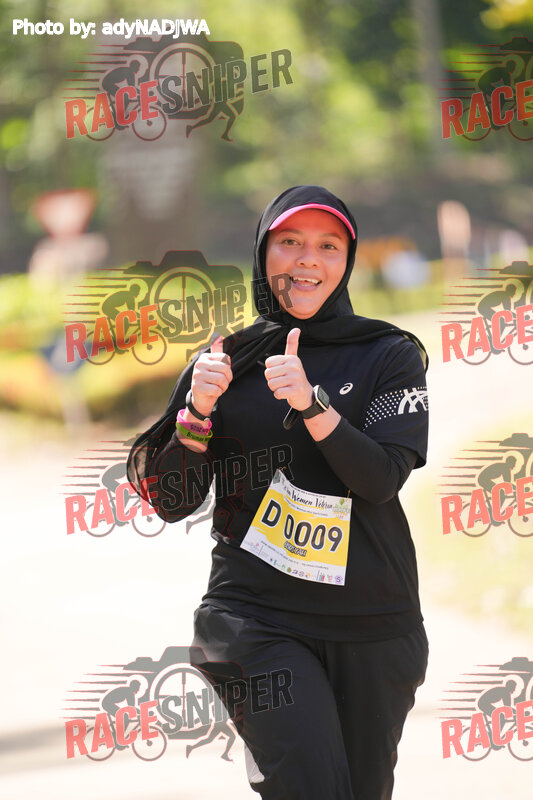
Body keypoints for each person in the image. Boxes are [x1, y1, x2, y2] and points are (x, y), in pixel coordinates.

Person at [127, 185, 430, 800]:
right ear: (263, 253)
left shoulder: (389, 356)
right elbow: (171, 500)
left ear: (347, 261)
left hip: (373, 621)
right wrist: (197, 411)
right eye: (289, 242)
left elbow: (380, 479)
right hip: (254, 619)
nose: (307, 260)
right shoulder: (226, 362)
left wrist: (312, 406)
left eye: (328, 246)